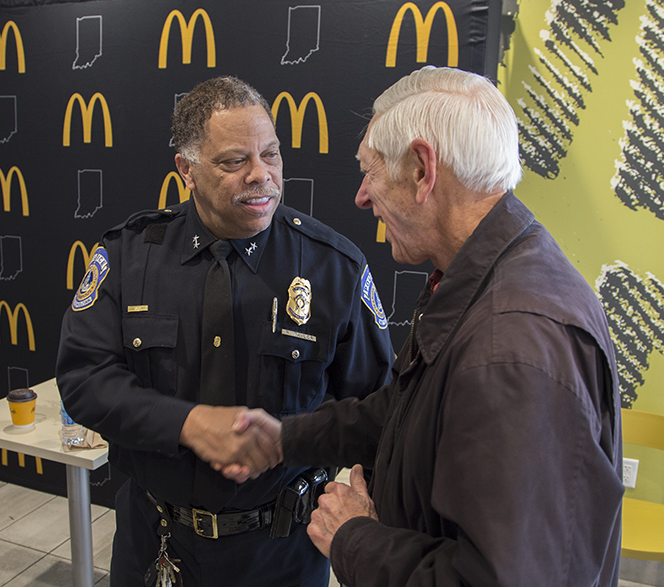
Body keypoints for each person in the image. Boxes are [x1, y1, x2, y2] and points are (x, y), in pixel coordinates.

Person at [229, 66, 624, 586]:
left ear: (421, 169)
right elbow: (411, 411)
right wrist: (287, 438)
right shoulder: (481, 279)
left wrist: (354, 538)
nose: (361, 196)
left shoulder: (510, 347)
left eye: (370, 171)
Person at [55, 76, 395, 587]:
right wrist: (188, 424)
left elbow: (378, 408)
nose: (262, 176)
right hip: (156, 543)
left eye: (272, 155)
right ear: (187, 170)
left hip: (282, 553)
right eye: (235, 162)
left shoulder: (333, 268)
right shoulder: (129, 255)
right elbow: (83, 378)